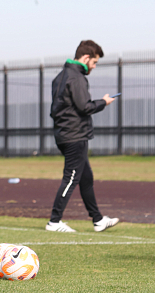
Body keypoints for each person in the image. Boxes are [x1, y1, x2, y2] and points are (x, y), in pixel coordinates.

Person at [46, 40, 119, 233]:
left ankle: (98, 220)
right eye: (94, 62)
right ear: (86, 58)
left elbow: (57, 109)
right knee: (71, 178)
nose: (94, 67)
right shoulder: (76, 77)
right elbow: (85, 107)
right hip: (74, 136)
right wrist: (103, 102)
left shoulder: (60, 77)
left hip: (65, 134)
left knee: (86, 178)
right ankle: (54, 221)